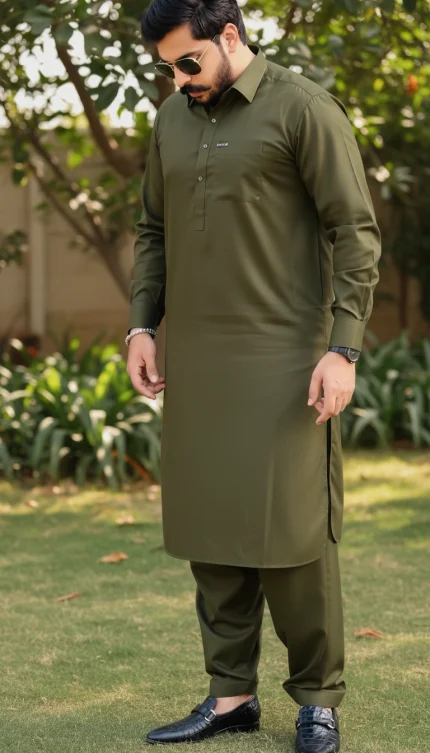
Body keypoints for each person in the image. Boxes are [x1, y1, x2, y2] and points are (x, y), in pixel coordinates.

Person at [125, 1, 381, 751]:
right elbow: (153, 230)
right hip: (198, 359)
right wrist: (142, 325)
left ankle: (318, 700)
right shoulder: (171, 120)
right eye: (167, 68)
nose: (179, 79)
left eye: (189, 62)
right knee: (212, 531)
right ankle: (231, 694)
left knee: (294, 537)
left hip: (288, 360)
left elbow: (354, 232)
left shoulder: (303, 109)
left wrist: (343, 349)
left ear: (229, 35)